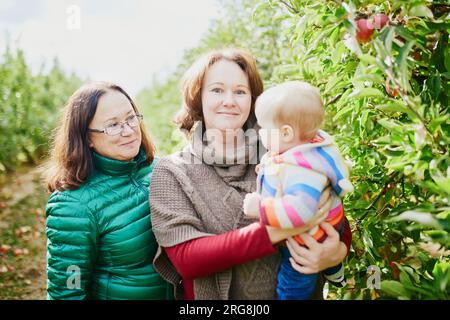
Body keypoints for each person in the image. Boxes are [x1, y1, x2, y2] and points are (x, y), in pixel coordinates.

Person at [150, 48, 352, 300]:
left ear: (253, 100)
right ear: (197, 97)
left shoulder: (286, 151)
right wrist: (284, 226)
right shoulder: (173, 171)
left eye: (240, 91)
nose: (229, 100)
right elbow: (188, 259)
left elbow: (330, 210)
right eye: (216, 90)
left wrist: (337, 251)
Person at [43, 82, 173, 299]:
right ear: (87, 138)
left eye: (131, 118)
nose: (129, 131)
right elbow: (69, 286)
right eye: (112, 125)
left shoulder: (161, 170)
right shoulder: (73, 206)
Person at [243, 81, 353, 300]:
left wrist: (261, 208)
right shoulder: (309, 146)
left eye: (264, 128)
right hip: (333, 226)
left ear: (286, 133)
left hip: (307, 242)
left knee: (291, 285)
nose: (260, 133)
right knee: (330, 263)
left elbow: (300, 212)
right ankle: (336, 273)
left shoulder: (302, 171)